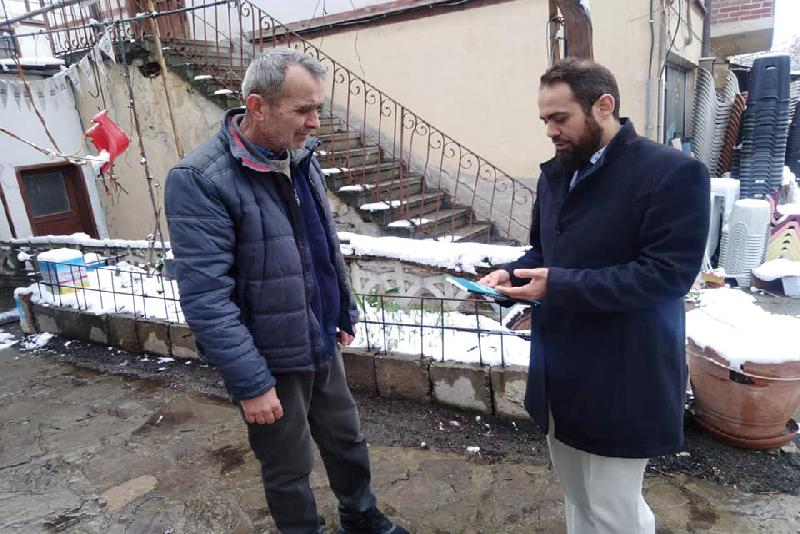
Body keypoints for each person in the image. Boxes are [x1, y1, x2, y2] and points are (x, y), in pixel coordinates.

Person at [165, 48, 408, 534]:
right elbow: (206, 298)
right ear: (257, 106)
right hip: (269, 357)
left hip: (319, 336)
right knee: (288, 465)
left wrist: (341, 310)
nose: (315, 123)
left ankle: (360, 516)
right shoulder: (199, 180)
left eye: (317, 108)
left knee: (346, 440)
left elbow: (321, 244)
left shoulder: (299, 157)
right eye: (302, 110)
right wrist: (252, 384)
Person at [481, 58, 709, 533]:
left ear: (604, 106)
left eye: (560, 118)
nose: (550, 130)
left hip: (622, 377)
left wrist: (558, 285)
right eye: (545, 119)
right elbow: (546, 252)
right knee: (578, 499)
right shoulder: (557, 173)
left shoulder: (673, 173)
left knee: (613, 511)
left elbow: (667, 275)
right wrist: (510, 275)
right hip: (559, 373)